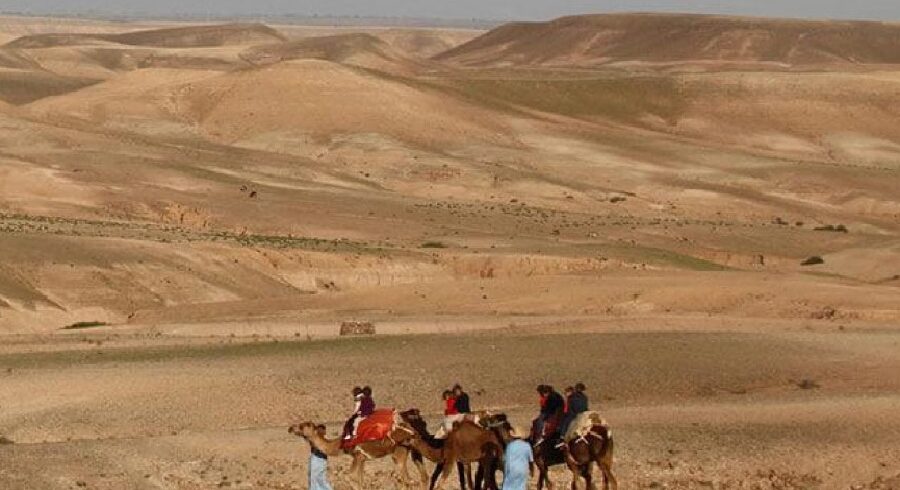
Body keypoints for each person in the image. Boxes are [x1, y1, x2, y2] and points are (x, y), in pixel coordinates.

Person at [502, 424, 534, 490]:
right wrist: (532, 470)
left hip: (512, 469)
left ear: (513, 436)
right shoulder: (527, 445)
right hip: (522, 470)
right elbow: (531, 461)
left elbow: (505, 460)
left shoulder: (510, 446)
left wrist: (505, 472)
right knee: (520, 487)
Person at [308, 424, 333, 490]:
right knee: (314, 477)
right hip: (316, 458)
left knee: (319, 478)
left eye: (322, 430)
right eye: (318, 430)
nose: (320, 431)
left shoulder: (325, 440)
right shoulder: (315, 439)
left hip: (321, 459)